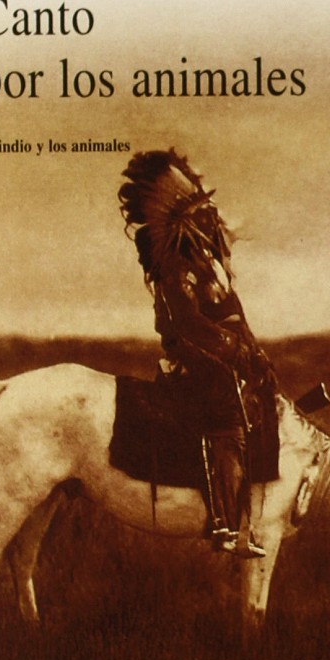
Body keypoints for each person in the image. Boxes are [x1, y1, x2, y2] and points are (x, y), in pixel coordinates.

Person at [119, 149, 278, 558]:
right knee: (228, 417)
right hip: (193, 356)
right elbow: (186, 325)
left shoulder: (207, 262)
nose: (212, 216)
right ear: (185, 221)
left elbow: (231, 313)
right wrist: (233, 350)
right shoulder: (175, 267)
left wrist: (253, 353)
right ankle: (227, 524)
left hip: (215, 352)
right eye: (202, 211)